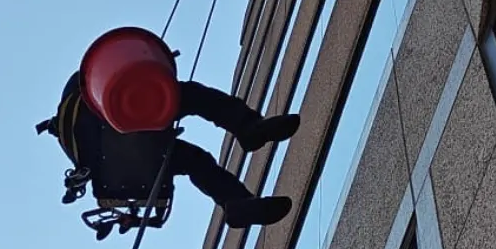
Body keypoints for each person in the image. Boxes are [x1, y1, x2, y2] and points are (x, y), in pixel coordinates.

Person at [37, 72, 300, 228]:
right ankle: (248, 128)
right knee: (191, 96)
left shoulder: (79, 129)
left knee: (195, 161)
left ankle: (237, 203)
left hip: (133, 158)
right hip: (135, 115)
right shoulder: (87, 86)